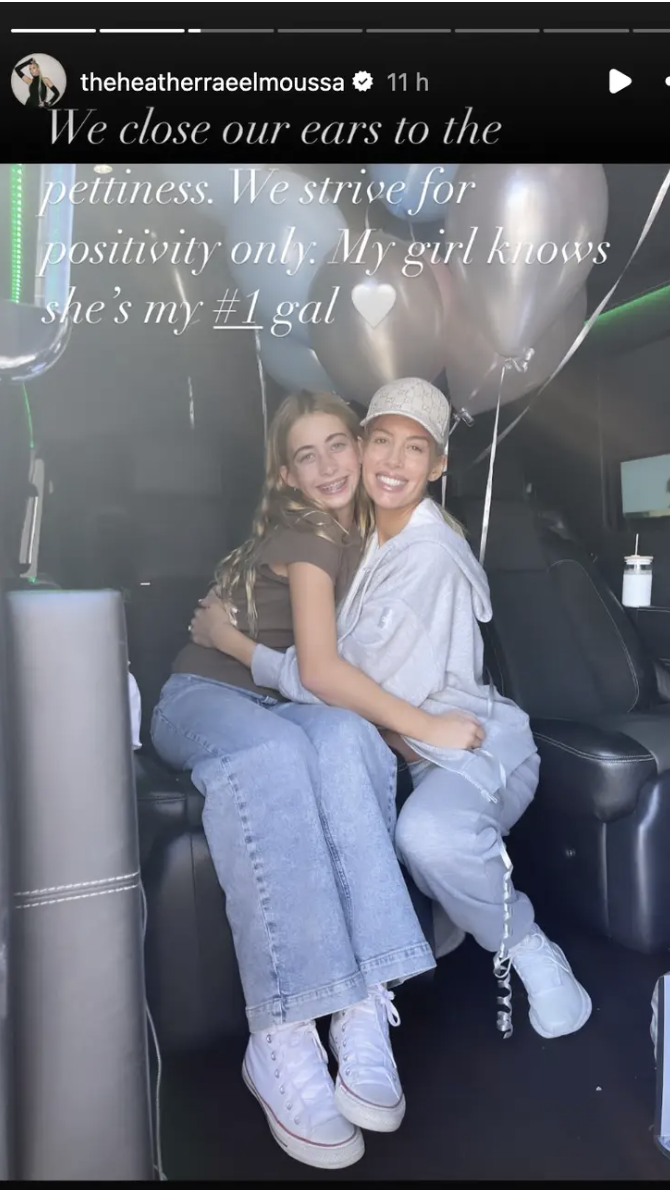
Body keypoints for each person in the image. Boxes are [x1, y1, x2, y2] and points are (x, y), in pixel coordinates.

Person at [195, 378, 592, 1043]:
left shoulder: (428, 556)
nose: (392, 461)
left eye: (415, 450)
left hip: (468, 747)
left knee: (427, 837)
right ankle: (427, 930)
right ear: (362, 445)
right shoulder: (359, 538)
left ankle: (527, 947)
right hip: (412, 746)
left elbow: (331, 677)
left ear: (437, 466)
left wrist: (234, 646)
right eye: (381, 441)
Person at [152, 389, 484, 1170]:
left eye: (342, 443)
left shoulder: (371, 533)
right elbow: (326, 669)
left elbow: (329, 689)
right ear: (288, 475)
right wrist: (427, 726)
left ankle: (362, 1005)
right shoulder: (311, 532)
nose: (332, 464)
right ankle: (282, 1034)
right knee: (273, 756)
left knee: (348, 741)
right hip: (203, 698)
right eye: (309, 454)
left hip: (276, 700)